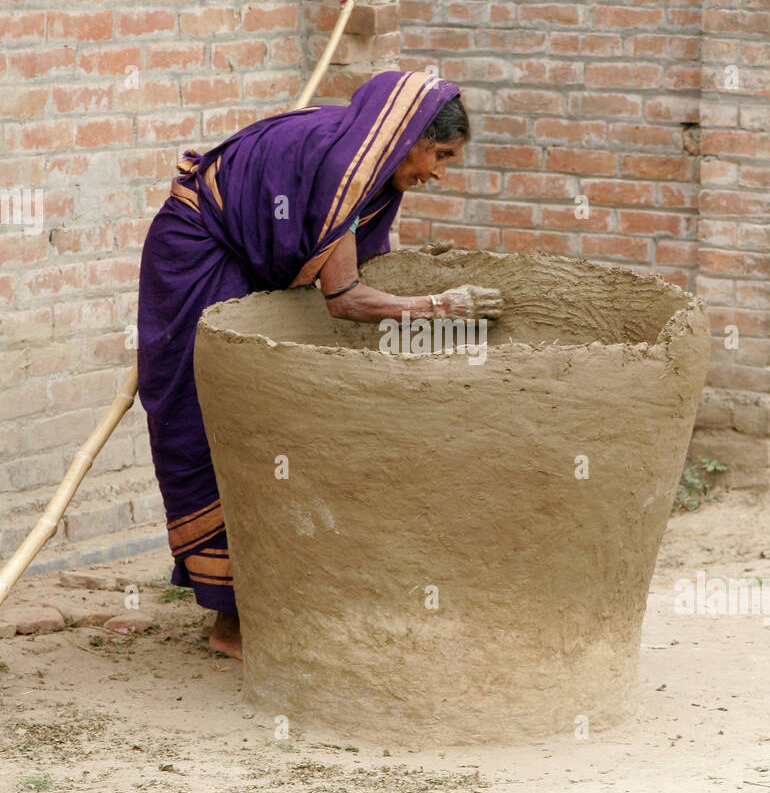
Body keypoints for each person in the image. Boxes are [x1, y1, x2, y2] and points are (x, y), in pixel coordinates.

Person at [136, 69, 503, 659]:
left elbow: (348, 256)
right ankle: (232, 623)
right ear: (406, 134)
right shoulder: (346, 170)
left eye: (449, 160)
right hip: (198, 257)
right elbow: (347, 299)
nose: (439, 173)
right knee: (215, 420)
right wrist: (440, 306)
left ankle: (279, 601)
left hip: (242, 254)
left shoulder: (366, 161)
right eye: (439, 155)